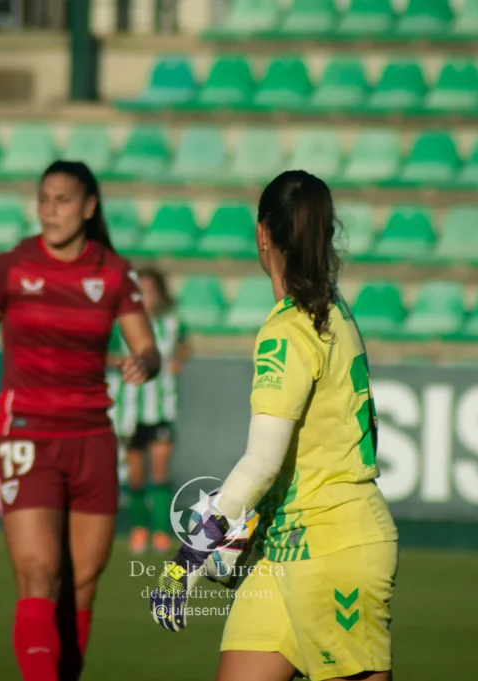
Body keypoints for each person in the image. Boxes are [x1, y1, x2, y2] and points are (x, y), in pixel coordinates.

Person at [0, 160, 161, 681]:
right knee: (39, 573)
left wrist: (143, 363)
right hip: (27, 437)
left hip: (91, 440)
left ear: (89, 208)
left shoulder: (112, 271)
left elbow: (147, 346)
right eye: (44, 199)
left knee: (83, 581)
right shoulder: (11, 267)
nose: (50, 209)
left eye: (63, 200)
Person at [150, 170, 399, 681]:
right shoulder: (333, 310)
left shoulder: (287, 330)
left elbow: (261, 463)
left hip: (332, 548)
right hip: (282, 550)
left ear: (262, 234)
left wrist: (187, 562)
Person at [111, 268, 191, 555]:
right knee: (136, 475)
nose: (147, 297)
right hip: (131, 408)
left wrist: (178, 360)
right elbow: (105, 354)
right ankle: (139, 528)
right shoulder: (121, 324)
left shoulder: (172, 323)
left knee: (159, 469)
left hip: (162, 407)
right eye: (142, 291)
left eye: (151, 291)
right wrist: (121, 362)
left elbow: (186, 345)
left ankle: (160, 531)